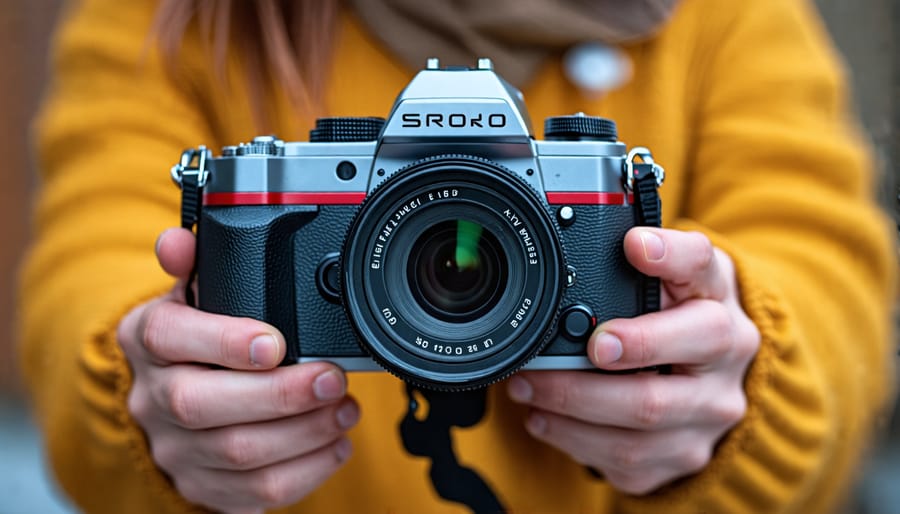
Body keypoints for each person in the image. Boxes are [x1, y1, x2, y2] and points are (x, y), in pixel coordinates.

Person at [18, 0, 896, 512]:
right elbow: (90, 259)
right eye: (444, 266)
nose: (456, 268)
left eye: (458, 267)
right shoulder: (175, 19)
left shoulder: (723, 15)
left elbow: (827, 262)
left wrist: (743, 381)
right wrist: (158, 397)